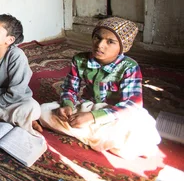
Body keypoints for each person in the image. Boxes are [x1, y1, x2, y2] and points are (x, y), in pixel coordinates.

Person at [39, 17, 161, 158]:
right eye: (98, 38)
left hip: (114, 114)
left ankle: (93, 134)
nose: (100, 45)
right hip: (87, 107)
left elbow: (132, 104)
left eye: (110, 42)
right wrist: (68, 105)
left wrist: (92, 117)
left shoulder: (129, 67)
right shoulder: (80, 60)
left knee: (139, 127)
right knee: (42, 111)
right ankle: (103, 140)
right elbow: (70, 89)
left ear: (122, 47)